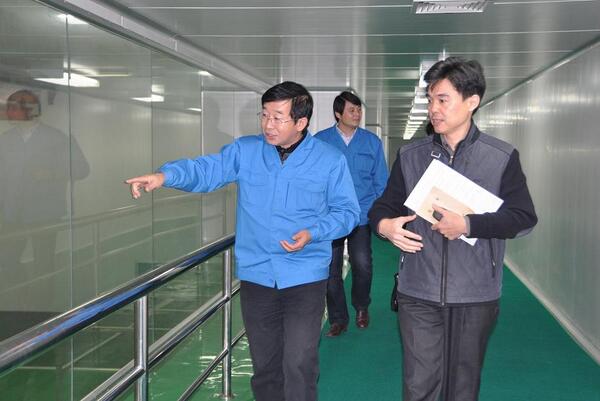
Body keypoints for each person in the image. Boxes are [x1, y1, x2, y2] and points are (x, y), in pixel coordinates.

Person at [125, 81, 360, 401]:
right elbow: (206, 170)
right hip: (257, 273)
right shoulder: (246, 151)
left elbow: (347, 212)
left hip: (304, 275)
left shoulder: (329, 160)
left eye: (278, 118)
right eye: (264, 115)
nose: (268, 125)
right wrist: (165, 176)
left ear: (301, 122)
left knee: (299, 361)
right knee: (265, 365)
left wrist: (314, 232)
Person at [368, 57, 537, 401]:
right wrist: (385, 226)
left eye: (443, 99)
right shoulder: (411, 155)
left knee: (462, 388)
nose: (433, 109)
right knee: (419, 385)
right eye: (431, 99)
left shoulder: (501, 157)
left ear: (472, 101)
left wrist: (469, 224)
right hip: (418, 289)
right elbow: (384, 207)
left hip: (476, 294)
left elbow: (522, 218)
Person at [315, 91, 388, 336]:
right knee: (330, 270)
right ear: (338, 114)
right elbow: (312, 180)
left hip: (361, 215)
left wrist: (378, 213)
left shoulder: (371, 142)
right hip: (331, 217)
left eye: (359, 110)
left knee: (363, 264)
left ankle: (361, 306)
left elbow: (380, 181)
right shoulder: (320, 142)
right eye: (352, 110)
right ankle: (338, 318)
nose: (357, 114)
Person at [0, 89, 89, 275]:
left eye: (13, 108)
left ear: (31, 110)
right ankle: (21, 292)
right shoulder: (5, 140)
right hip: (11, 214)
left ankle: (43, 293)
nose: (8, 112)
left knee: (44, 264)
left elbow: (82, 169)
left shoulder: (57, 138)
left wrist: (52, 174)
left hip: (44, 213)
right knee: (8, 263)